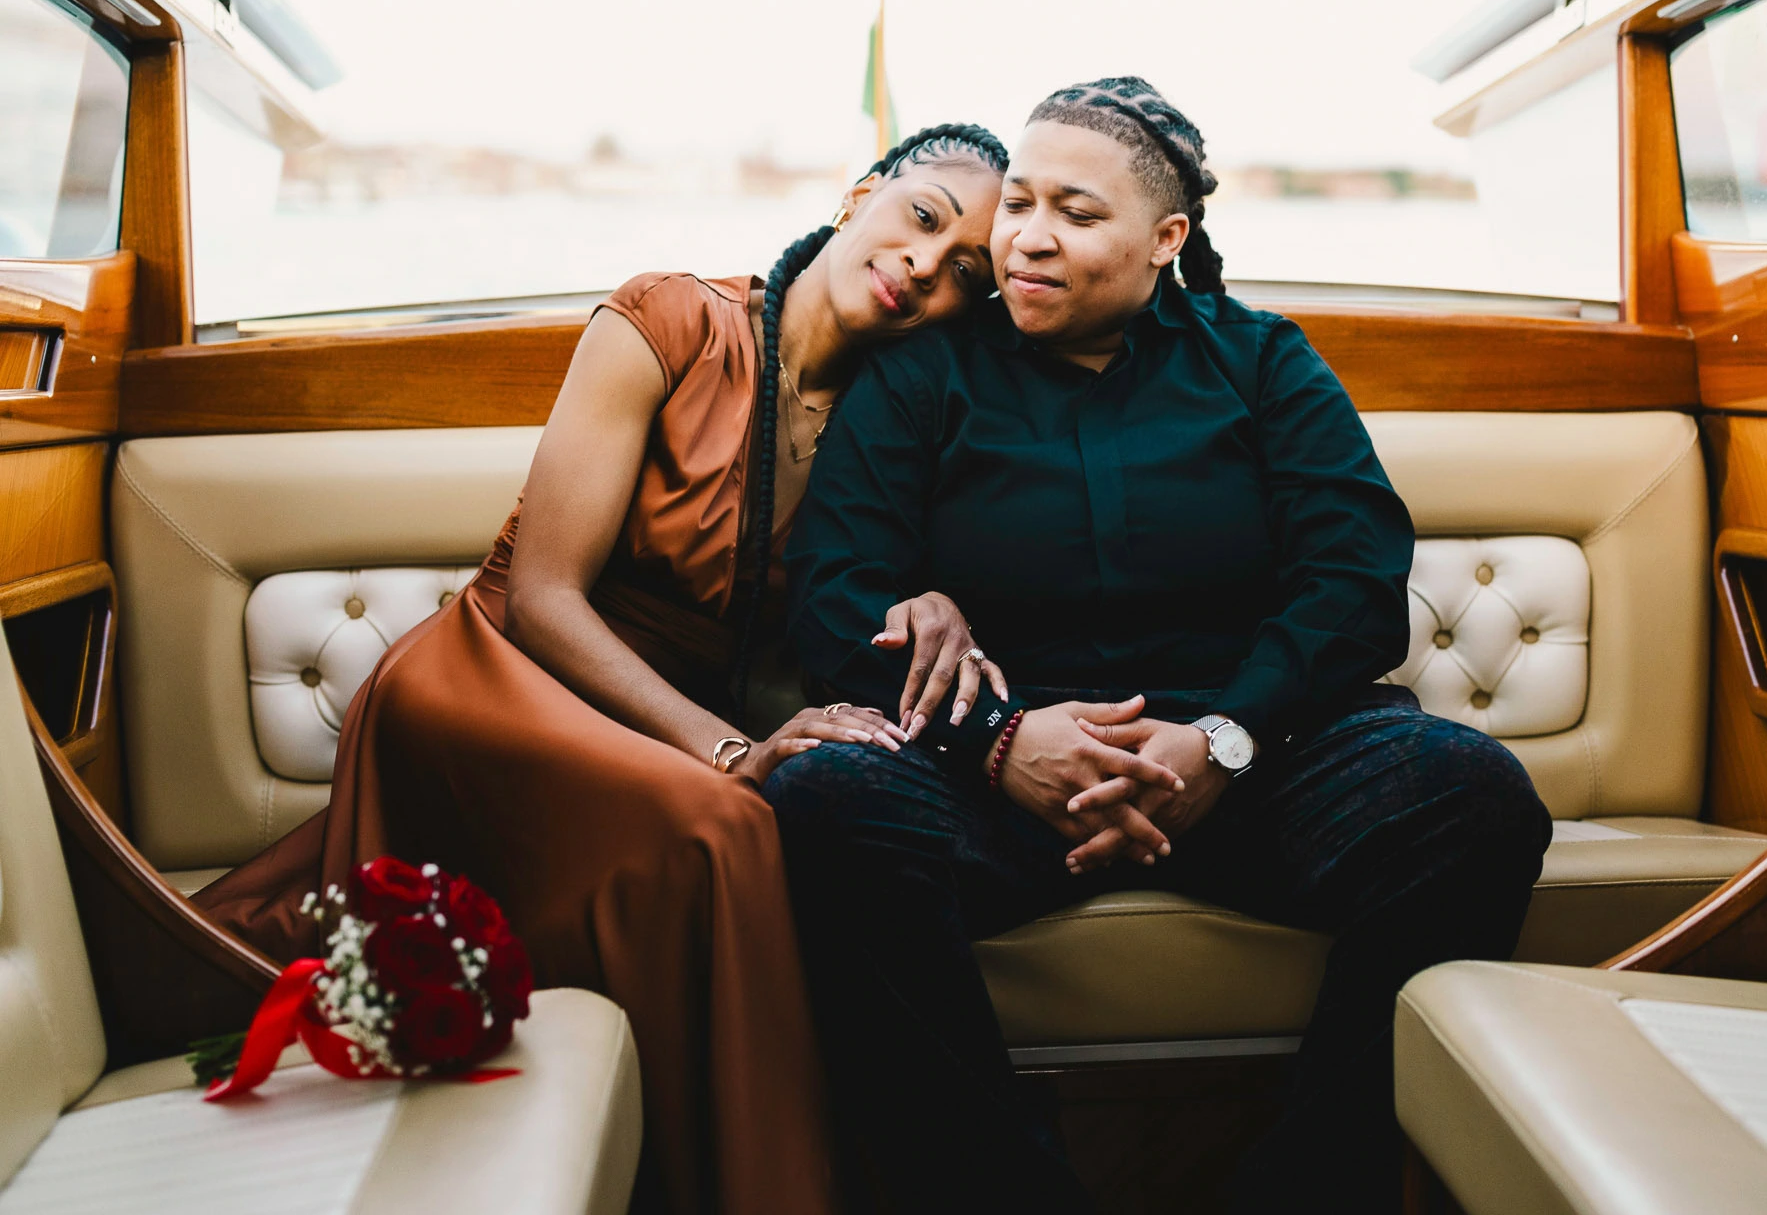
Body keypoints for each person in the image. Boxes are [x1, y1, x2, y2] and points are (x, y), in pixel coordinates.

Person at [765, 79, 1552, 1213]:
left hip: (1255, 758)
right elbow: (840, 593)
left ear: (1164, 239)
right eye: (1020, 204)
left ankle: (1308, 1187)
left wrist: (1223, 738)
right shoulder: (925, 373)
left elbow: (1354, 583)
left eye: (1077, 214)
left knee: (1474, 795)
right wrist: (999, 741)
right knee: (830, 800)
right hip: (1001, 774)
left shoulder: (1263, 361)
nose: (1028, 235)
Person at [196, 123, 1013, 1215]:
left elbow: (876, 599)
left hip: (646, 722)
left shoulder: (896, 419)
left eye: (969, 270)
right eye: (923, 218)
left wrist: (939, 604)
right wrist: (727, 747)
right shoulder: (673, 315)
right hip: (496, 675)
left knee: (779, 827)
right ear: (863, 192)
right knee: (725, 822)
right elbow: (542, 596)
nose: (927, 264)